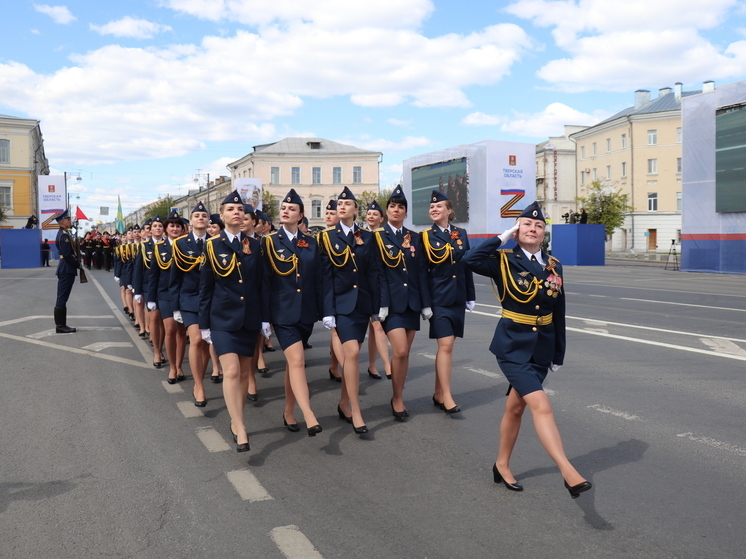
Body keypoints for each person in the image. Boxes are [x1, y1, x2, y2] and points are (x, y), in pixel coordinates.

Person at [463, 201, 592, 499]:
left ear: (544, 233)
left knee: (516, 407)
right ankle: (568, 472)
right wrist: (500, 238)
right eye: (526, 225)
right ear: (517, 230)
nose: (532, 229)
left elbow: (559, 309)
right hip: (512, 346)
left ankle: (501, 463)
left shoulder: (553, 265)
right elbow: (469, 260)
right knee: (541, 405)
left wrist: (558, 353)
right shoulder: (503, 260)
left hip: (542, 346)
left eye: (538, 226)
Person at [199, 190, 269, 452]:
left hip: (250, 317)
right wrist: (204, 323)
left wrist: (265, 319)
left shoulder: (256, 245)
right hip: (222, 318)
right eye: (231, 210)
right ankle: (240, 426)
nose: (236, 213)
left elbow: (262, 285)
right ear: (222, 214)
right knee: (230, 371)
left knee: (242, 373)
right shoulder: (212, 245)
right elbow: (206, 287)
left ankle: (235, 419)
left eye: (240, 210)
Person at [262, 188, 327, 436]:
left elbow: (317, 279)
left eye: (292, 209)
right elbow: (265, 282)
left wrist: (325, 311)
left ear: (301, 216)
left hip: (307, 312)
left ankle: (288, 411)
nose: (286, 211)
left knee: (293, 365)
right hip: (282, 312)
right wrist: (265, 318)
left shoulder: (310, 242)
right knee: (298, 361)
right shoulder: (268, 242)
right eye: (284, 208)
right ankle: (309, 414)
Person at [318, 186, 381, 435]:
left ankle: (344, 403)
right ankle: (356, 410)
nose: (341, 207)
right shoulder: (326, 237)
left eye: (347, 204)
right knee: (352, 354)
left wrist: (377, 307)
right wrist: (328, 311)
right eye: (339, 204)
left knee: (353, 359)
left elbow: (373, 273)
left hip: (362, 305)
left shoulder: (368, 237)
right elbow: (325, 277)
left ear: (356, 210)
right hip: (340, 306)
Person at [373, 186, 430, 419]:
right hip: (390, 305)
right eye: (393, 206)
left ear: (406, 212)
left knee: (405, 355)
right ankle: (397, 398)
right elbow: (377, 272)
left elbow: (421, 273)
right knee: (401, 350)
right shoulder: (376, 237)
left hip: (412, 303)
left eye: (401, 207)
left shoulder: (414, 237)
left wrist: (426, 303)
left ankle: (398, 394)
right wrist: (382, 304)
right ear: (387, 211)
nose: (396, 210)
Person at [421, 190, 475, 414]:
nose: (434, 209)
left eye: (439, 206)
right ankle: (447, 396)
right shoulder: (424, 236)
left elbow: (466, 265)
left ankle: (437, 393)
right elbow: (422, 273)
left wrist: (470, 295)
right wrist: (425, 302)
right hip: (438, 299)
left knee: (446, 348)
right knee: (446, 346)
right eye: (432, 207)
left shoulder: (461, 234)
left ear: (449, 211)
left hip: (457, 297)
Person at [170, 202, 210, 406]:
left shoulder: (217, 242)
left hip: (212, 300)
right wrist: (175, 306)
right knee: (195, 340)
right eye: (197, 215)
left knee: (206, 343)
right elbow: (175, 278)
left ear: (209, 220)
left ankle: (200, 379)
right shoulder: (180, 244)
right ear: (191, 221)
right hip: (190, 298)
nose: (201, 218)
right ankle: (199, 385)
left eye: (204, 215)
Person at [148, 211, 187, 383]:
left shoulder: (187, 246)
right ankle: (172, 367)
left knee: (181, 332)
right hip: (164, 294)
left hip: (184, 294)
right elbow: (153, 275)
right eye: (172, 225)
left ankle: (179, 366)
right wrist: (150, 298)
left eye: (178, 226)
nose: (175, 228)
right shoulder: (159, 248)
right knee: (170, 329)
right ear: (166, 229)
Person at [364, 199, 392, 380]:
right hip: (363, 287)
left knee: (376, 327)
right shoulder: (361, 235)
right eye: (369, 214)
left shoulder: (385, 236)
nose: (371, 216)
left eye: (375, 214)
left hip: (379, 287)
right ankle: (336, 364)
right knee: (372, 328)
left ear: (381, 218)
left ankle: (380, 365)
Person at [322, 199, 343, 383]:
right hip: (329, 290)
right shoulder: (321, 237)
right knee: (335, 331)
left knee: (337, 332)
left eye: (332, 213)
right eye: (327, 213)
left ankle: (334, 365)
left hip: (344, 290)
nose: (328, 216)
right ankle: (341, 367)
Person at [53, 209, 80, 333]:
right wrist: (78, 264)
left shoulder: (64, 233)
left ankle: (61, 324)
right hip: (66, 268)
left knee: (62, 296)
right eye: (68, 219)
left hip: (66, 267)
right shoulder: (64, 236)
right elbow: (68, 255)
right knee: (62, 297)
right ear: (62, 222)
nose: (70, 221)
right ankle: (60, 326)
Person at [205, 213, 225, 383]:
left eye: (214, 227)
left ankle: (223, 364)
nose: (211, 230)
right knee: (212, 337)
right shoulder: (207, 245)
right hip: (209, 295)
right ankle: (215, 366)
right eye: (209, 227)